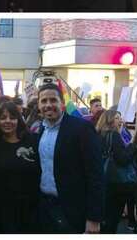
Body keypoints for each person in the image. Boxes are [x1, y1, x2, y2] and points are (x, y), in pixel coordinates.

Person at [35, 83, 103, 233]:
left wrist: (94, 218)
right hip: (45, 207)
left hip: (72, 211)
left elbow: (96, 174)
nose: (48, 105)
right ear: (38, 105)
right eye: (44, 101)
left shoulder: (81, 128)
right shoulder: (41, 129)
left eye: (53, 100)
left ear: (62, 103)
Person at [0, 101, 40, 233]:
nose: (8, 121)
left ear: (18, 120)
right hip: (3, 211)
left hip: (31, 209)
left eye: (12, 117)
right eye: (3, 118)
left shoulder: (32, 140)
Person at [96, 109, 137, 233]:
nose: (121, 120)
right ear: (109, 120)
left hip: (103, 179)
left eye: (120, 117)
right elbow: (123, 159)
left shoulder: (98, 134)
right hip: (116, 182)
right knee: (113, 219)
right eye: (117, 118)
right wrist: (132, 144)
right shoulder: (114, 135)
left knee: (105, 216)